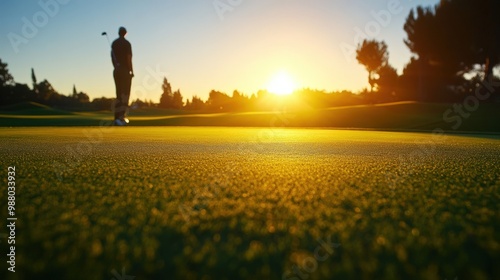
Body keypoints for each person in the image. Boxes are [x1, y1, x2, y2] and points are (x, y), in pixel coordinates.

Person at [111, 26, 133, 126]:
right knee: (125, 94)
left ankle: (116, 118)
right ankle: (121, 118)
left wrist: (116, 67)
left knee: (118, 94)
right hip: (124, 71)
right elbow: (129, 58)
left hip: (116, 70)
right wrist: (131, 71)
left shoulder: (114, 43)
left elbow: (112, 57)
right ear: (125, 33)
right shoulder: (127, 43)